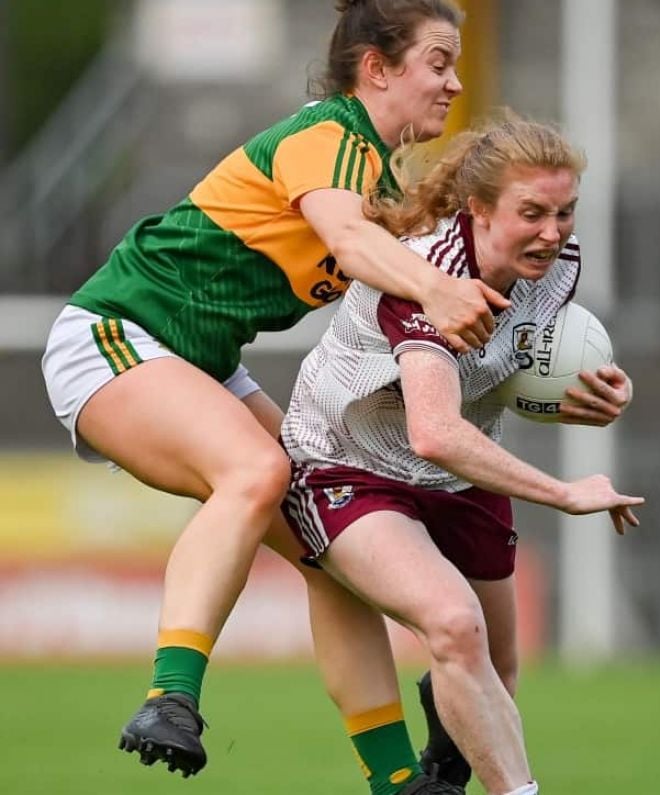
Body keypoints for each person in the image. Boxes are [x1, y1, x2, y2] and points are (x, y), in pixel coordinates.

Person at [40, 2, 515, 790]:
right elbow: (353, 244)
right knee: (257, 471)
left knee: (329, 545)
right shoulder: (325, 138)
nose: (453, 82)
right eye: (437, 62)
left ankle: (399, 782)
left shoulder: (377, 171)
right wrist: (436, 287)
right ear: (376, 68)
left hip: (201, 361)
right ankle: (169, 697)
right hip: (120, 329)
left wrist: (556, 377)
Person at [281, 115, 643, 795]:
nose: (552, 229)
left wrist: (580, 393)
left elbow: (496, 369)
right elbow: (435, 430)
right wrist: (565, 492)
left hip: (452, 471)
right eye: (531, 212)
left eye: (564, 211)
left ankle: (441, 778)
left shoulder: (556, 262)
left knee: (498, 664)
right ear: (476, 207)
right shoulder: (423, 276)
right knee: (452, 624)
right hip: (347, 463)